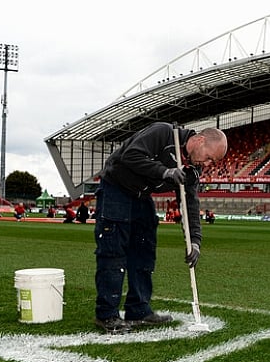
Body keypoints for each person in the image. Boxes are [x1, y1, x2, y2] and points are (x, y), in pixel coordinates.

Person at [93, 122, 227, 334]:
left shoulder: (192, 171)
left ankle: (138, 310)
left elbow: (189, 205)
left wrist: (195, 241)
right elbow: (130, 156)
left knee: (144, 252)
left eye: (213, 161)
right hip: (116, 188)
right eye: (209, 157)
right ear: (200, 140)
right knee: (113, 252)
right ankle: (107, 314)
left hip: (141, 197)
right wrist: (166, 172)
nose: (208, 164)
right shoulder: (164, 133)